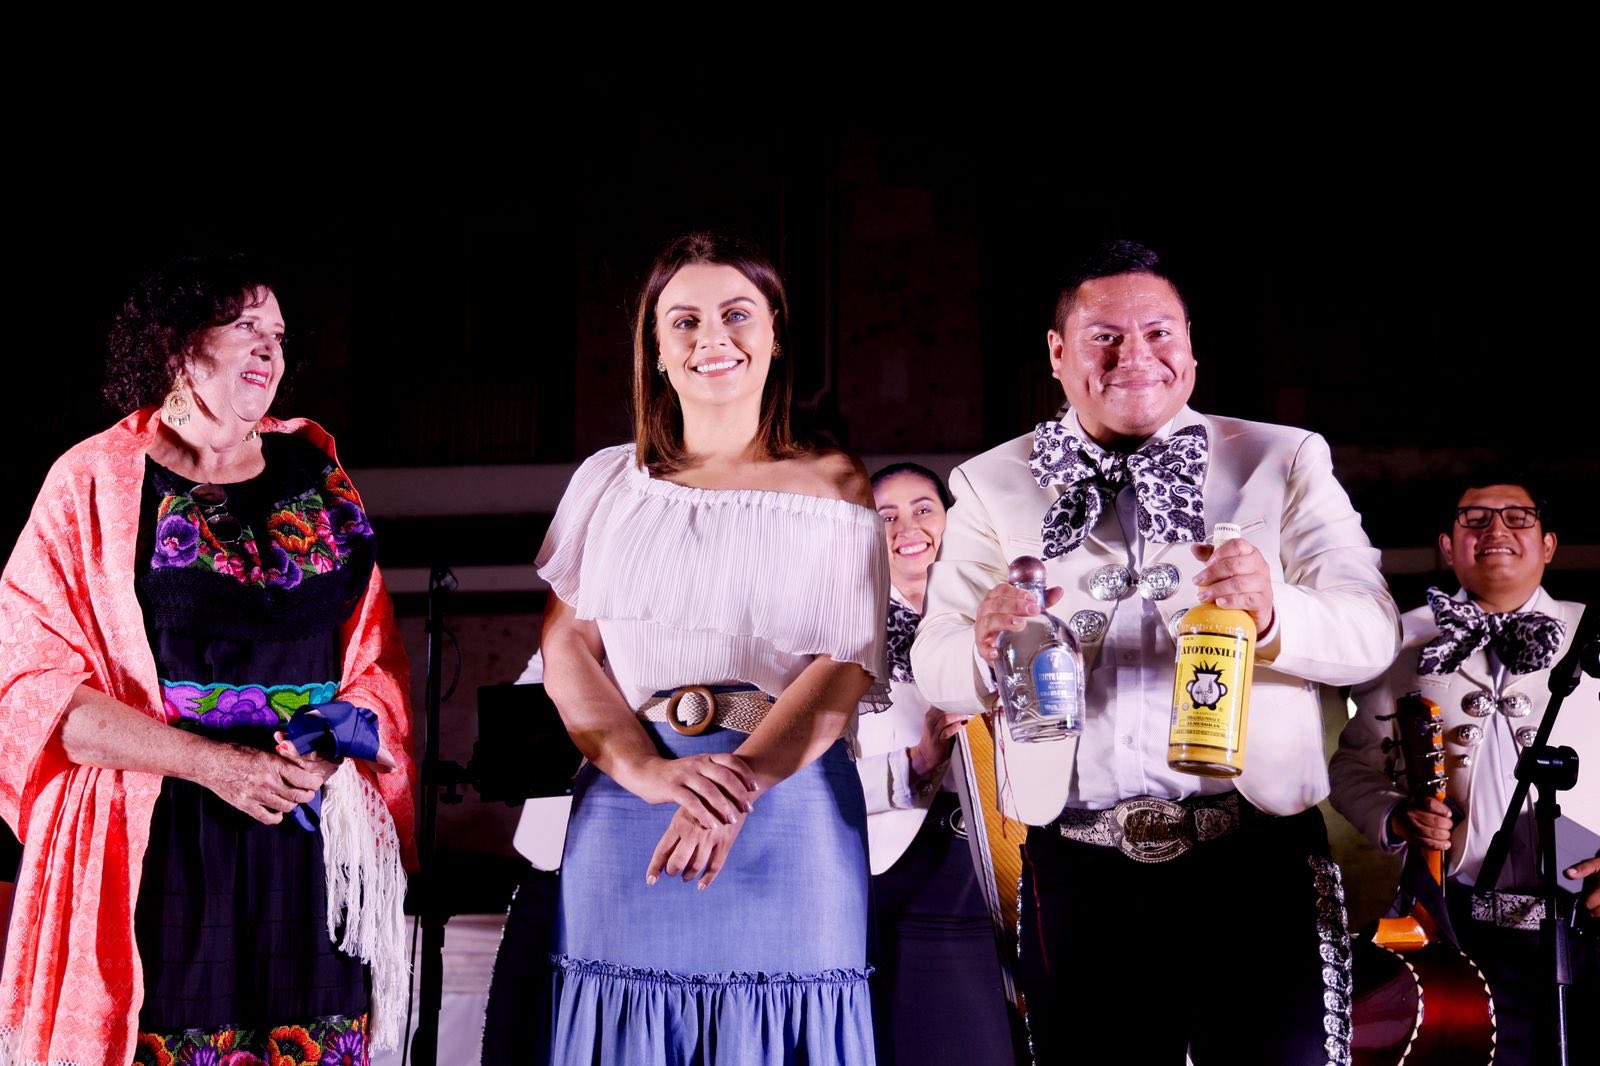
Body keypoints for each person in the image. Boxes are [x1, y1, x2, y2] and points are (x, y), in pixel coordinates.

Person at [910, 239, 1401, 1065]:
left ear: (1191, 347)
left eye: (1158, 332)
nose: (1134, 355)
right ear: (1058, 354)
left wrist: (1273, 613)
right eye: (1104, 337)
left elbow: (1371, 631)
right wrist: (984, 643)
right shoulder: (989, 482)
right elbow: (936, 663)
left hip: (1254, 850)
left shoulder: (1283, 458)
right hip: (1078, 862)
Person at [0, 257, 416, 1064]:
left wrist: (333, 743)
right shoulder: (91, 483)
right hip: (160, 841)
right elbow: (29, 689)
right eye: (245, 326)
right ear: (179, 345)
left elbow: (377, 664)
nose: (269, 350)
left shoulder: (321, 476)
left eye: (279, 335)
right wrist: (214, 764)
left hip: (304, 837)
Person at [535, 232, 889, 1064]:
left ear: (775, 333)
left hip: (787, 801)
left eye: (736, 314)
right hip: (630, 800)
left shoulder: (835, 484)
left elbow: (844, 665)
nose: (711, 338)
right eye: (684, 321)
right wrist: (648, 773)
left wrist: (737, 787)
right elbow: (567, 649)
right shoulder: (607, 482)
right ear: (657, 351)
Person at [1330, 480, 1600, 1064]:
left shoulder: (1595, 630)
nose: (1496, 530)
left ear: (1549, 545)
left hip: (1591, 921)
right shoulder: (1399, 640)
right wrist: (1395, 815)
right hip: (1459, 931)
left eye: (1518, 518)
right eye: (1474, 519)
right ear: (1447, 547)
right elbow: (1351, 767)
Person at [858, 463, 1016, 1065]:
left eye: (923, 509)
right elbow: (817, 783)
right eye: (887, 516)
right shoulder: (846, 638)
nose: (908, 528)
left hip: (1010, 853)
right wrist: (915, 763)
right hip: (904, 868)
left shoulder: (1007, 613)